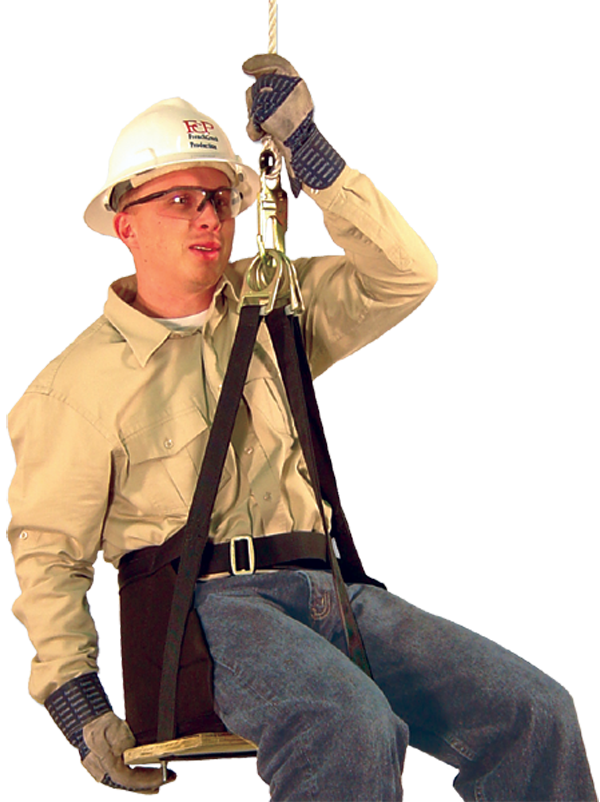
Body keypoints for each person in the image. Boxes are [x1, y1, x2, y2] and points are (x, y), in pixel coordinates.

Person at [7, 55, 596, 802]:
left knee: (532, 713)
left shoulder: (273, 303)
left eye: (220, 198)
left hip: (335, 590)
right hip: (213, 609)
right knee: (350, 722)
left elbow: (403, 274)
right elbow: (48, 557)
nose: (208, 218)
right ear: (125, 224)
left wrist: (312, 154)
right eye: (180, 200)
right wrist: (78, 703)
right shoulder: (75, 389)